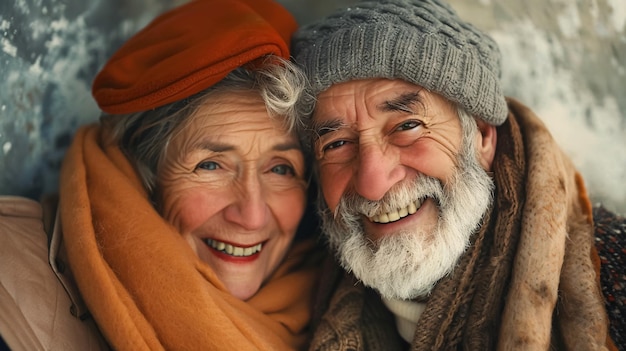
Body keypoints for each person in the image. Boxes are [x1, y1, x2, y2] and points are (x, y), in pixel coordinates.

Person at [291, 0, 619, 350]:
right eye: (337, 144)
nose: (373, 184)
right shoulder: (301, 299)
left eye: (408, 125)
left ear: (481, 136)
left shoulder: (614, 276)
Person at [0, 0, 324, 350]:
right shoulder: (8, 284)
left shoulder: (336, 301)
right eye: (211, 165)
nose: (252, 215)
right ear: (142, 173)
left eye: (280, 168)